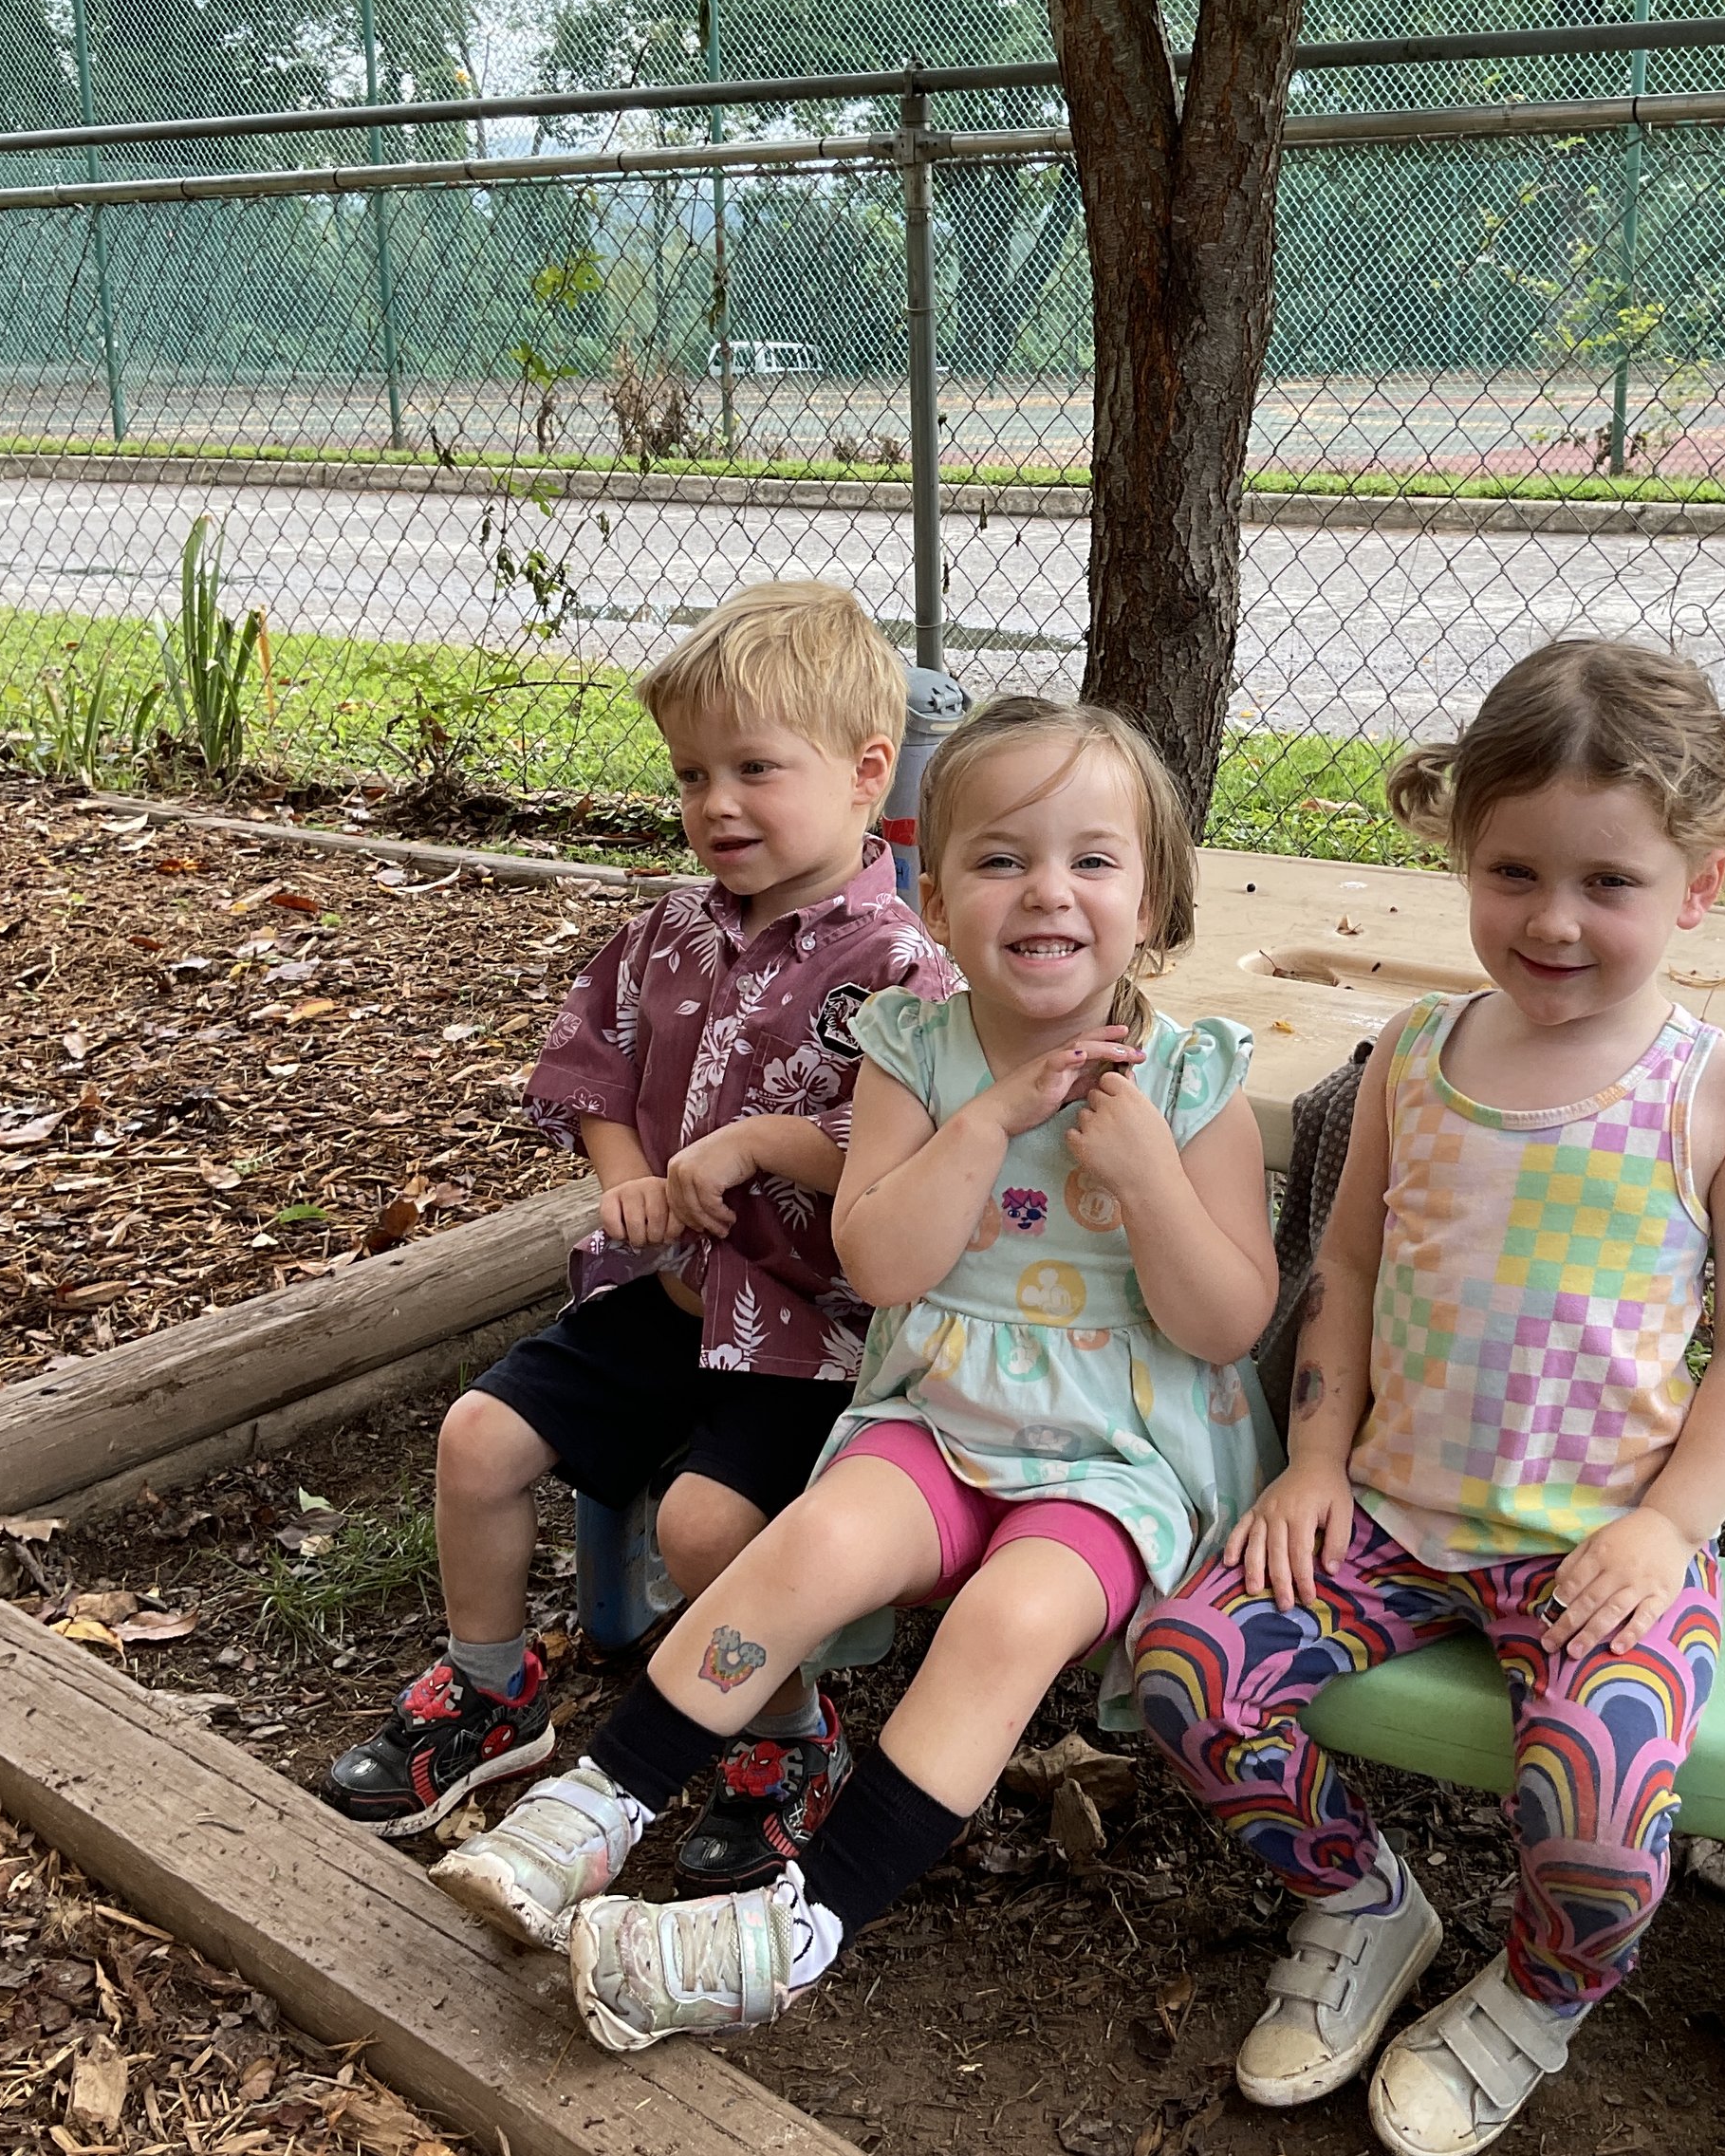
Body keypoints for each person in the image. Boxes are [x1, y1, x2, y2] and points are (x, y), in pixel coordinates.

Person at [432, 695, 1279, 2047]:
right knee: (810, 1539)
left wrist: (1151, 1184)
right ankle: (593, 1805)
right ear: (936, 904)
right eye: (1002, 860)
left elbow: (1228, 1318)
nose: (1047, 890)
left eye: (1093, 860)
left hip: (1115, 1462)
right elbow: (878, 1259)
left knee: (1008, 1621)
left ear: (1155, 900)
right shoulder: (917, 1054)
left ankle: (794, 1925)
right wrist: (993, 1122)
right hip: (937, 1422)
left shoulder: (1190, 1086)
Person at [1135, 640, 1725, 2156]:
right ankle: (1358, 1895)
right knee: (1185, 1665)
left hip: (1599, 1552)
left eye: (1610, 882)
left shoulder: (1720, 1092)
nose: (1554, 919)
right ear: (1459, 848)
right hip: (1381, 1519)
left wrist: (1667, 1526)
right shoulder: (1413, 1058)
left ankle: (1543, 1987)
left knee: (1594, 1811)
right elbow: (1354, 1266)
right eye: (1513, 870)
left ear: (1701, 881)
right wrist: (1312, 1457)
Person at [323, 581, 952, 1882]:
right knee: (478, 1438)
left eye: (755, 769)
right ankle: (494, 1688)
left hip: (811, 1329)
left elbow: (925, 1164)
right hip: (668, 1290)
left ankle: (788, 1736)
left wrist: (776, 1145)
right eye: (690, 773)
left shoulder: (907, 971)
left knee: (707, 1531)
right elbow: (590, 1070)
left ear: (864, 772)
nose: (715, 803)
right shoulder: (667, 932)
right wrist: (626, 1174)